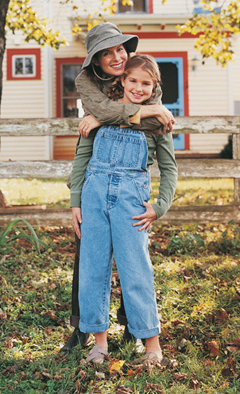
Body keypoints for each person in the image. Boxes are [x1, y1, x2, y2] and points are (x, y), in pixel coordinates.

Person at [60, 22, 175, 353]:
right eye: (107, 52)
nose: (116, 56)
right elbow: (84, 153)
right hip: (95, 194)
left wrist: (161, 205)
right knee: (92, 268)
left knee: (135, 268)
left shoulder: (153, 110)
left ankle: (147, 340)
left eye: (120, 50)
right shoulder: (90, 87)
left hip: (130, 197)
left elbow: (168, 165)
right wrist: (75, 200)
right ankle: (95, 338)